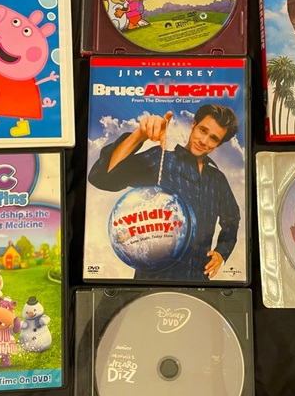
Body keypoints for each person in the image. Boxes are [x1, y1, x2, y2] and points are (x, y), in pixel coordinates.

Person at [88, 104, 241, 281]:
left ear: (218, 144)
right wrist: (140, 135)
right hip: (153, 280)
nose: (204, 141)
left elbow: (232, 220)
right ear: (193, 124)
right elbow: (102, 178)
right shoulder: (160, 160)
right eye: (203, 130)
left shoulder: (217, 179)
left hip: (198, 281)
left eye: (213, 138)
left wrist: (221, 253)